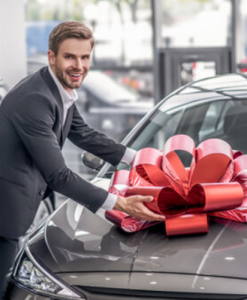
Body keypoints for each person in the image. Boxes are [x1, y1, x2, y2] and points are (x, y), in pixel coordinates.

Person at [0, 21, 165, 298]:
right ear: (52, 57)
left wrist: (140, 159)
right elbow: (58, 175)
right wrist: (120, 203)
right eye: (70, 57)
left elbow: (83, 134)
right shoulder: (34, 100)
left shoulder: (57, 88)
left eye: (84, 57)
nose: (79, 65)